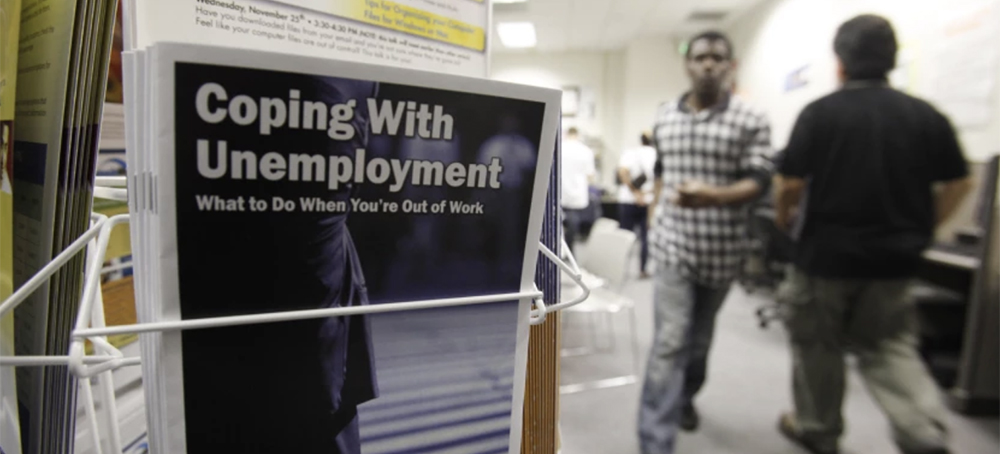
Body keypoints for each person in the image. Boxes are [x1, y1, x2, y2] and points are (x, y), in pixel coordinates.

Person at [773, 15, 971, 454]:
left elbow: (789, 183)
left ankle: (818, 429)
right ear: (892, 60)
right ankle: (921, 429)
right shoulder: (924, 115)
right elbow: (961, 182)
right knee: (889, 344)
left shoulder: (820, 113)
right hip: (894, 259)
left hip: (825, 257)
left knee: (817, 344)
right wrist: (927, 225)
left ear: (839, 62)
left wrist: (786, 219)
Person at [639, 30, 773, 454]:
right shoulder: (664, 116)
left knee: (698, 342)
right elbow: (662, 169)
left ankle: (686, 397)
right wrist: (654, 211)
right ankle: (654, 443)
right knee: (670, 341)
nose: (708, 64)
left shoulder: (751, 120)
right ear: (688, 64)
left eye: (718, 57)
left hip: (722, 252)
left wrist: (714, 195)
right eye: (700, 57)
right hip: (672, 247)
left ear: (730, 65)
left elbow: (760, 180)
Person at [617, 131, 657, 278]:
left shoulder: (631, 153)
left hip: (628, 200)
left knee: (624, 235)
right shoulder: (657, 155)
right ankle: (642, 270)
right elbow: (661, 181)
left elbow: (623, 173)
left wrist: (635, 193)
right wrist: (645, 194)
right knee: (645, 237)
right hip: (648, 202)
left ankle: (619, 268)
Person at [561, 126, 596, 253]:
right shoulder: (586, 151)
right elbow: (590, 175)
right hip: (577, 194)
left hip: (561, 192)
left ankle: (561, 251)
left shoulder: (560, 148)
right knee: (572, 223)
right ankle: (570, 251)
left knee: (557, 223)